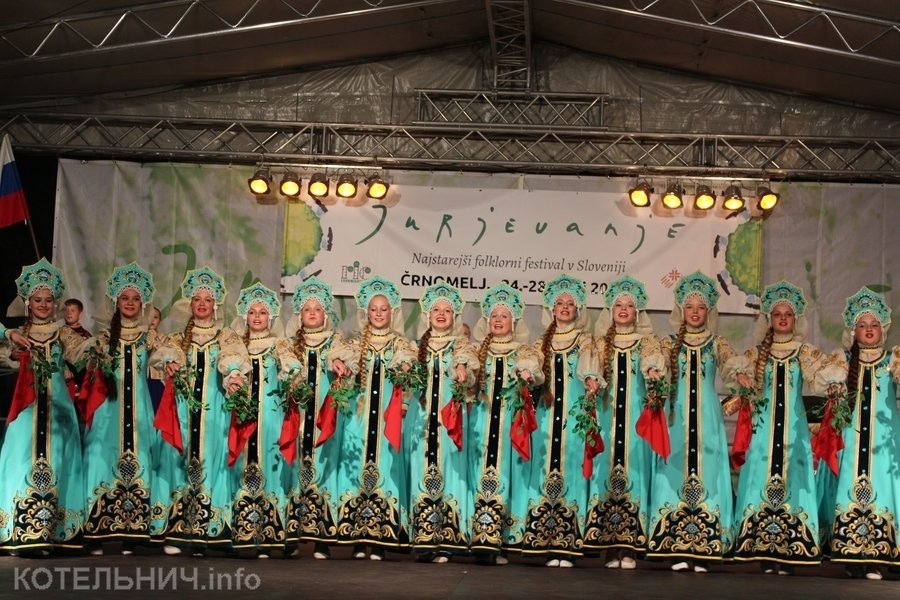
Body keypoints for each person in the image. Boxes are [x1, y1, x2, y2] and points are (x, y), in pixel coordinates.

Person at [727, 280, 845, 574]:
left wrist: (832, 384)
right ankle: (764, 551)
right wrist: (741, 378)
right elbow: (738, 377)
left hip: (794, 431)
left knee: (793, 481)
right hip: (764, 432)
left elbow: (825, 374)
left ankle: (790, 549)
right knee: (760, 479)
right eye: (777, 314)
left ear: (796, 319)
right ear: (769, 319)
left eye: (788, 314)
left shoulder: (804, 352)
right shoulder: (756, 354)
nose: (782, 318)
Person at [150, 266, 250, 556]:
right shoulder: (177, 338)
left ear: (215, 305)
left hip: (214, 409)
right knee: (180, 460)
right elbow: (160, 357)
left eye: (207, 300)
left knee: (212, 461)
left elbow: (235, 360)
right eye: (197, 299)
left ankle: (211, 530)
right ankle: (180, 532)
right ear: (190, 304)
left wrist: (233, 376)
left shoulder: (225, 336)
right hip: (183, 409)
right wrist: (168, 363)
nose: (202, 304)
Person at [646, 271, 741, 573]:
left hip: (707, 415)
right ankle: (676, 545)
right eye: (690, 307)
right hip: (676, 416)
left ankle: (704, 548)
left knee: (708, 471)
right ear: (681, 310)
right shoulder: (668, 343)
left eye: (700, 307)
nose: (695, 312)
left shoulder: (717, 343)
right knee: (673, 471)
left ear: (708, 311)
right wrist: (654, 374)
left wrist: (739, 377)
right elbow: (654, 364)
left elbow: (732, 365)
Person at [78, 262, 165, 555]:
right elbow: (81, 356)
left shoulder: (148, 337)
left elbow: (169, 351)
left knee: (141, 457)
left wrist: (171, 360)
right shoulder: (104, 338)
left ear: (143, 304)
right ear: (116, 302)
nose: (130, 303)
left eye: (135, 299)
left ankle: (134, 531)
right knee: (101, 460)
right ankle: (98, 530)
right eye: (125, 298)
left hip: (139, 410)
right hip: (109, 411)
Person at [0, 259, 85, 556]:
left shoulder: (64, 334)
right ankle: (19, 531)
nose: (44, 305)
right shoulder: (18, 334)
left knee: (59, 461)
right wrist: (9, 336)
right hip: (27, 409)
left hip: (59, 410)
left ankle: (52, 532)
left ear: (55, 303)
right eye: (38, 300)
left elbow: (83, 353)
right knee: (19, 459)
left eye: (48, 300)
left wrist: (98, 350)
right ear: (28, 302)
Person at [328, 275, 416, 559]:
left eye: (384, 309)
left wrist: (404, 375)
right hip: (359, 419)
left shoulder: (401, 344)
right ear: (366, 312)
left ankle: (380, 539)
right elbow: (340, 364)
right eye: (374, 309)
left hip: (387, 419)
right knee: (355, 468)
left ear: (392, 312)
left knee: (385, 469)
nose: (378, 314)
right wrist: (340, 365)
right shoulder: (355, 344)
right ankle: (357, 538)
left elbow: (409, 376)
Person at [583, 275, 664, 569]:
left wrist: (653, 372)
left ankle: (629, 546)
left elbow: (654, 362)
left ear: (637, 312)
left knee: (634, 472)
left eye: (629, 306)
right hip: (607, 416)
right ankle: (608, 544)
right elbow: (590, 368)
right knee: (605, 470)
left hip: (634, 419)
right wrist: (591, 379)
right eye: (619, 305)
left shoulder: (647, 343)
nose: (623, 310)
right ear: (611, 310)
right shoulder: (599, 343)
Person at [522, 274, 600, 567]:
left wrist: (591, 380)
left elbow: (590, 368)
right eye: (560, 303)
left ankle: (567, 544)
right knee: (544, 467)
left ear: (578, 309)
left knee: (571, 467)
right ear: (551, 309)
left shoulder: (585, 340)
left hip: (574, 415)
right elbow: (532, 370)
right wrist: (528, 375)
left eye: (570, 303)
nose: (565, 307)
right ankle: (544, 539)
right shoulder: (540, 343)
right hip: (547, 414)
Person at [826, 287, 900, 579]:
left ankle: (877, 558)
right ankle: (852, 553)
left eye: (874, 325)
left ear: (883, 329)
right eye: (862, 325)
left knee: (883, 489)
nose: (869, 330)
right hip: (853, 439)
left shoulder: (892, 359)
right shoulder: (843, 360)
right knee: (850, 487)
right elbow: (829, 386)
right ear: (853, 331)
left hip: (884, 442)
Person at [468, 283, 543, 564]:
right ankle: (482, 542)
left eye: (504, 316)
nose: (498, 320)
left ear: (514, 321)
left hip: (510, 424)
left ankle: (503, 541)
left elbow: (535, 375)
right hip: (482, 422)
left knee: (508, 476)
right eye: (494, 316)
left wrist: (527, 375)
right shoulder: (477, 351)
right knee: (480, 477)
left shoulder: (523, 351)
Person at [407, 282, 478, 563]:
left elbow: (467, 366)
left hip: (450, 422)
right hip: (421, 421)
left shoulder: (461, 345)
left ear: (454, 316)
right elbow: (405, 372)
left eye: (447, 310)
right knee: (422, 470)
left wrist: (461, 369)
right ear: (428, 315)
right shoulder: (415, 347)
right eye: (436, 309)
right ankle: (425, 539)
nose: (441, 314)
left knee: (449, 470)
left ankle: (447, 539)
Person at [228, 282, 300, 558]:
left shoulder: (279, 344)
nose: (257, 317)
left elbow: (291, 365)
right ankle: (246, 533)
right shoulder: (237, 345)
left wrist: (294, 377)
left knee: (271, 464)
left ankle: (271, 535)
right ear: (245, 316)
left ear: (270, 317)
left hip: (271, 414)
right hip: (245, 413)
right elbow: (230, 370)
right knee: (245, 464)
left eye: (262, 313)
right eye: (252, 312)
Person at [283, 277, 345, 559]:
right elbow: (286, 366)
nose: (312, 313)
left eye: (317, 309)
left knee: (321, 468)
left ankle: (322, 537)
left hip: (322, 415)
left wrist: (339, 362)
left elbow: (341, 356)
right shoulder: (289, 344)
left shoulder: (335, 340)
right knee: (293, 470)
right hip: (297, 415)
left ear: (325, 314)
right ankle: (291, 536)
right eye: (307, 309)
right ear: (300, 314)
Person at [146, 307, 166, 413]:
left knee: (157, 406)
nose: (152, 320)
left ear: (160, 320)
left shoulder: (163, 338)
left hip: (158, 377)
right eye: (149, 317)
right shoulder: (139, 337)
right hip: (142, 377)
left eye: (155, 317)